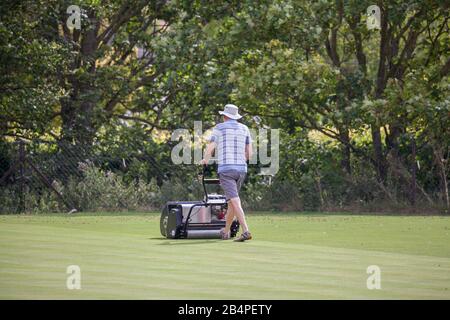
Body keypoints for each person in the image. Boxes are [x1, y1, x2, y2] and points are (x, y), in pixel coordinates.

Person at [200, 104, 253, 242]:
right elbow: (250, 154)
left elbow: (211, 146)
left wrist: (205, 160)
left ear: (225, 116)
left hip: (226, 169)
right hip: (241, 169)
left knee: (235, 201)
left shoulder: (219, 127)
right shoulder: (245, 128)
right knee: (231, 202)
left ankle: (246, 230)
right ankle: (225, 231)